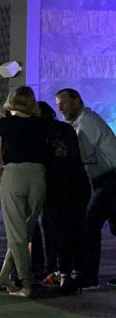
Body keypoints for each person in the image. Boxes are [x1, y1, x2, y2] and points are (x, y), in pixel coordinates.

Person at [53, 88, 116, 289]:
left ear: (77, 101)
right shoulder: (82, 121)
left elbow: (81, 154)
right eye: (58, 105)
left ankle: (89, 277)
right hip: (105, 179)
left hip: (109, 178)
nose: (60, 108)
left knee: (89, 224)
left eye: (63, 103)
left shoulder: (87, 122)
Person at [0, 86, 49, 298]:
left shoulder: (2, 124)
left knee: (16, 232)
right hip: (38, 175)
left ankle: (25, 283)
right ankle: (4, 275)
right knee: (26, 230)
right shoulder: (42, 124)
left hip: (14, 175)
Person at [37, 101, 90, 293]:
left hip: (56, 184)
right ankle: (77, 273)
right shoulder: (66, 128)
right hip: (78, 181)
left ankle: (60, 273)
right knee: (77, 228)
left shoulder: (40, 131)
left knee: (56, 230)